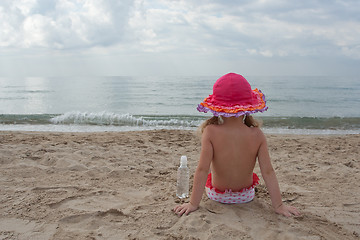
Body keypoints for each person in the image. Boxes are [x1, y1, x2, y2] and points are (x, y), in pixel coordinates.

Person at [173, 73, 300, 217]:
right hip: (245, 196)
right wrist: (279, 205)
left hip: (217, 196)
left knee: (210, 173)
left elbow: (202, 170)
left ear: (218, 107)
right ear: (248, 106)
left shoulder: (210, 132)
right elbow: (268, 172)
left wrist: (193, 204)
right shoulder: (257, 134)